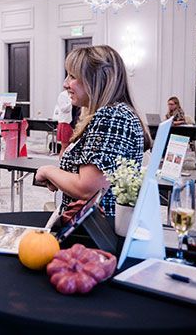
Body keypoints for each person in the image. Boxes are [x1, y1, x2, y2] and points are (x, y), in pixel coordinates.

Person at [35, 45, 151, 217]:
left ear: (96, 80)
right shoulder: (115, 113)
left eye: (73, 76)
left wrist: (48, 171)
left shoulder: (112, 117)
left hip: (95, 228)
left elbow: (87, 189)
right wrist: (61, 179)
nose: (65, 84)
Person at [53, 89, 73, 156]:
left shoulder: (74, 94)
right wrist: (71, 102)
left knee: (71, 147)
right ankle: (61, 164)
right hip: (65, 122)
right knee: (65, 146)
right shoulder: (62, 95)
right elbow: (63, 109)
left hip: (73, 122)